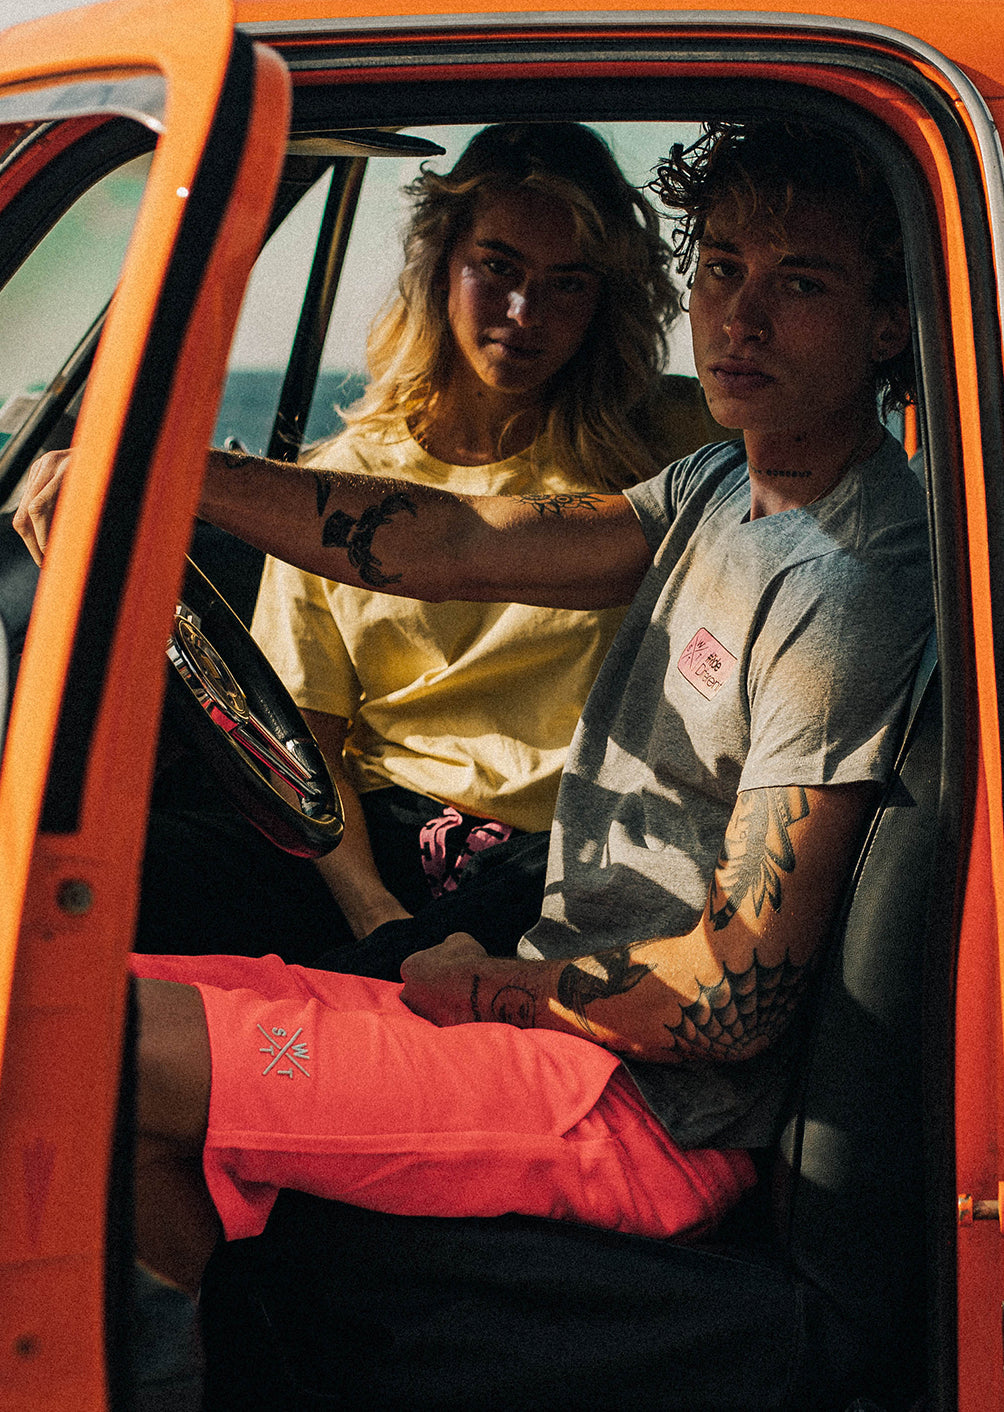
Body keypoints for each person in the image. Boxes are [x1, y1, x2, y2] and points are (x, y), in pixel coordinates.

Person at [15, 119, 933, 1298]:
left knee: (80, 1052)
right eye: (719, 269)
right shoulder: (720, 480)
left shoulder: (842, 581)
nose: (738, 318)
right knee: (50, 1002)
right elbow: (456, 539)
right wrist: (166, 470)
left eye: (797, 283)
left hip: (642, 1112)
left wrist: (484, 983)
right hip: (560, 1024)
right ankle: (293, 1357)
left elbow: (727, 998)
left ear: (886, 323)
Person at [141, 121, 722, 965]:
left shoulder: (669, 442)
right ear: (442, 261)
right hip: (379, 841)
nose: (524, 313)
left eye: (567, 283)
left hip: (571, 846)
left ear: (605, 300)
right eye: (499, 268)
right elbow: (310, 744)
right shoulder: (342, 478)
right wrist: (376, 915)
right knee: (104, 871)